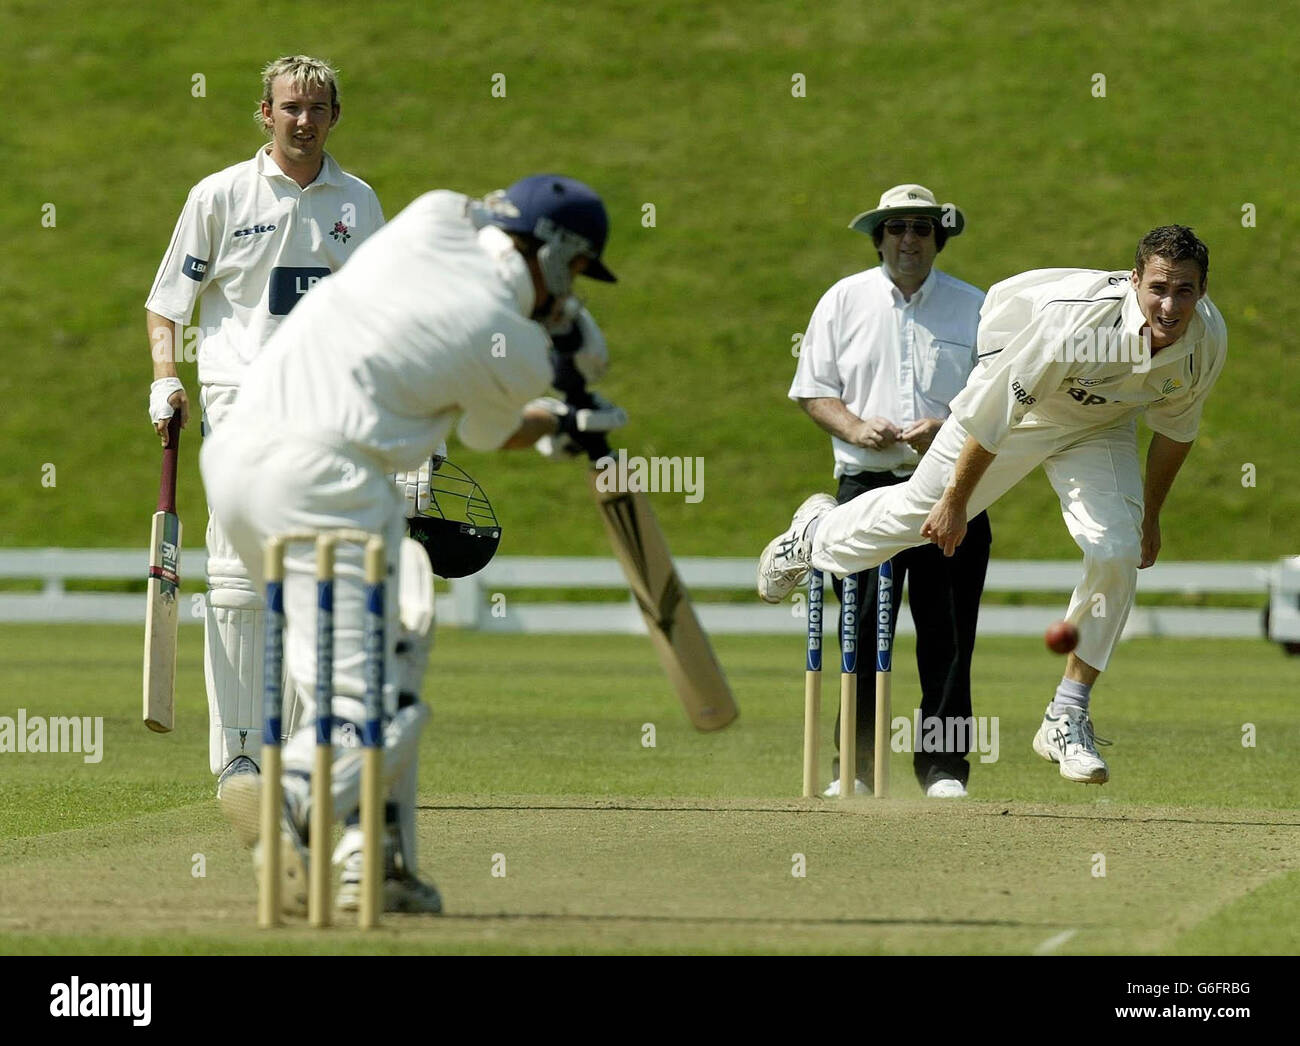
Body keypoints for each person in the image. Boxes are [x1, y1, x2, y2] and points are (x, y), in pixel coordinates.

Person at [201, 175, 626, 913]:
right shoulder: (516, 348)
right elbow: (498, 430)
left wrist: (554, 357)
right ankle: (292, 792)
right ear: (558, 257)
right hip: (332, 480)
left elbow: (475, 228)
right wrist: (567, 410)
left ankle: (378, 864)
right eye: (580, 270)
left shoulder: (431, 216)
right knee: (381, 697)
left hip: (236, 463)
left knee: (361, 656)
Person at [759, 225, 1226, 785]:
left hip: (1100, 422)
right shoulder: (1077, 324)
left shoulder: (1206, 341)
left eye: (1185, 291)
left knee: (1116, 547)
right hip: (1017, 393)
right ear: (1135, 282)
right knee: (916, 515)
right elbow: (993, 414)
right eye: (1158, 288)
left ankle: (1067, 712)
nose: (1170, 305)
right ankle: (811, 536)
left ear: (1202, 291)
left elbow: (1176, 432)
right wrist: (956, 502)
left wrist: (1150, 517)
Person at [144, 56, 385, 798]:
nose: (303, 121)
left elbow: (379, 316)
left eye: (317, 108)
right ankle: (240, 753)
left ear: (335, 116)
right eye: (290, 107)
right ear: (265, 112)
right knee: (238, 576)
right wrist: (165, 377)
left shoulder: (359, 201)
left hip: (326, 412)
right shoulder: (220, 195)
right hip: (241, 402)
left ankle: (313, 749)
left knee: (324, 575)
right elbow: (167, 304)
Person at [787, 184, 989, 798]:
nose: (909, 240)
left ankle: (944, 769)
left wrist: (945, 428)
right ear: (879, 238)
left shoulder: (974, 306)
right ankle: (854, 767)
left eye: (922, 230)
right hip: (865, 488)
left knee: (948, 635)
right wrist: (854, 425)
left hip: (950, 490)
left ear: (938, 239)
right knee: (860, 627)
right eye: (897, 228)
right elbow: (812, 389)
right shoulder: (844, 300)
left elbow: (998, 401)